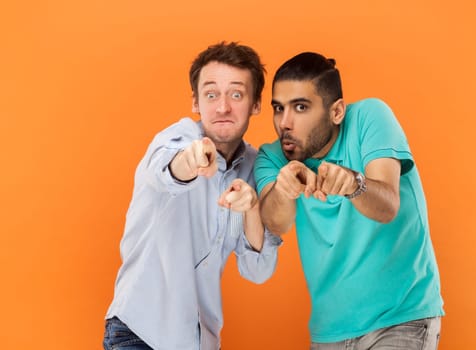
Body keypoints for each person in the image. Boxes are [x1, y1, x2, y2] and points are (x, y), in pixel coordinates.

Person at [255, 52, 444, 350]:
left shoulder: (370, 117)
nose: (285, 123)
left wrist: (354, 184)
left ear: (337, 112)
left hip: (400, 318)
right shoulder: (272, 156)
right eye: (278, 108)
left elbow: (388, 206)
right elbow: (275, 222)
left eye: (300, 107)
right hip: (329, 331)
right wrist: (284, 188)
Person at [103, 41, 282, 350]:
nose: (223, 107)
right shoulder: (176, 138)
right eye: (211, 94)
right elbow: (169, 169)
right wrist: (195, 158)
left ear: (255, 104)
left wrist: (252, 205)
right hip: (140, 332)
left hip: (199, 341)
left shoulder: (253, 165)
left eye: (236, 94)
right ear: (196, 102)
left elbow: (258, 270)